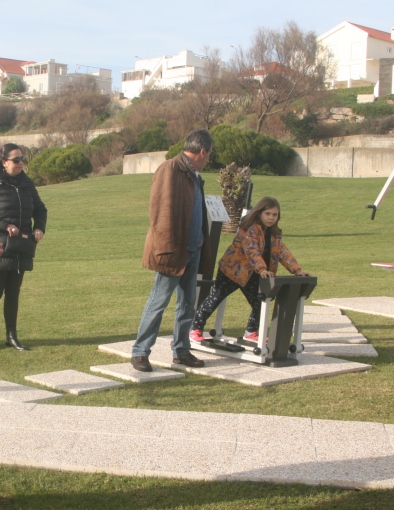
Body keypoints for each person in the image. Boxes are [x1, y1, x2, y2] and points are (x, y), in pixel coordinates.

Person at [130, 129, 214, 372]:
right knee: (159, 301)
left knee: (188, 305)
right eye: (208, 155)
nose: (208, 159)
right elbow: (159, 212)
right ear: (202, 151)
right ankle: (140, 352)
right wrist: (167, 249)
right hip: (173, 251)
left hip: (192, 251)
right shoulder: (169, 169)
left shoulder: (194, 175)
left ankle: (181, 351)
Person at [190, 196, 309, 343]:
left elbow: (283, 253)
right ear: (259, 213)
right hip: (232, 272)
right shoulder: (249, 229)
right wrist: (262, 269)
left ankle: (251, 332)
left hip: (253, 275)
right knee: (215, 298)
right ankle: (195, 329)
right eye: (268, 214)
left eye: (275, 214)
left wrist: (297, 270)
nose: (271, 218)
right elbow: (251, 251)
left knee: (260, 301)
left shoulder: (274, 234)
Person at [0, 143, 47, 351]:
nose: (20, 163)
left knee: (13, 292)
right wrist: (5, 226)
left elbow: (41, 210)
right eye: (16, 160)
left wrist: (39, 228)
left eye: (22, 159)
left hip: (21, 246)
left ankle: (11, 336)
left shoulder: (27, 184)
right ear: (4, 162)